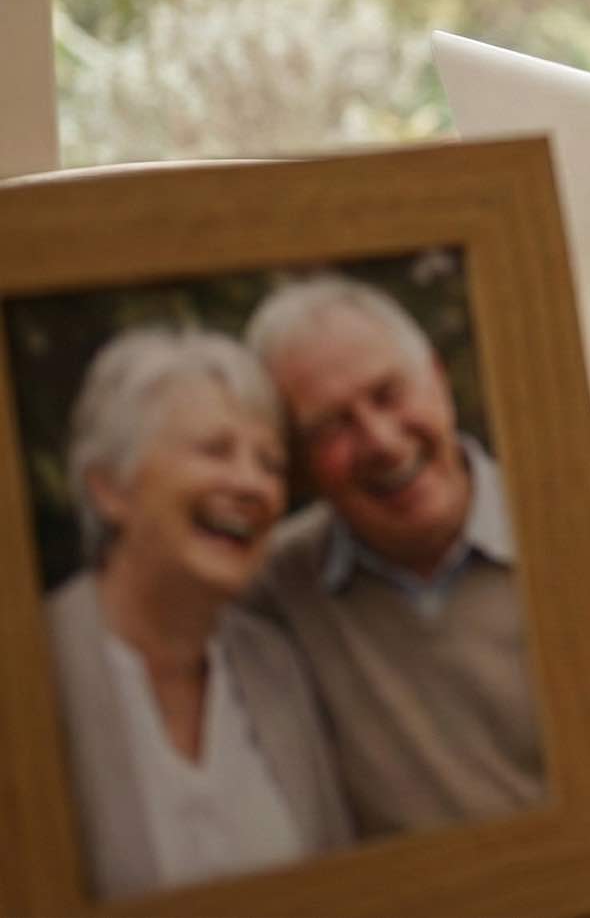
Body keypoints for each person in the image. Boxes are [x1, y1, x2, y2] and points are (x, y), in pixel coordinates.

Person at [47, 328, 351, 900]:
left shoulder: (276, 666)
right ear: (110, 488)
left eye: (271, 464)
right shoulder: (36, 666)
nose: (251, 485)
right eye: (215, 450)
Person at [244, 274, 544, 839]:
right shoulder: (274, 586)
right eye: (332, 426)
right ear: (297, 462)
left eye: (387, 394)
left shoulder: (560, 529)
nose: (380, 441)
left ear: (437, 379)